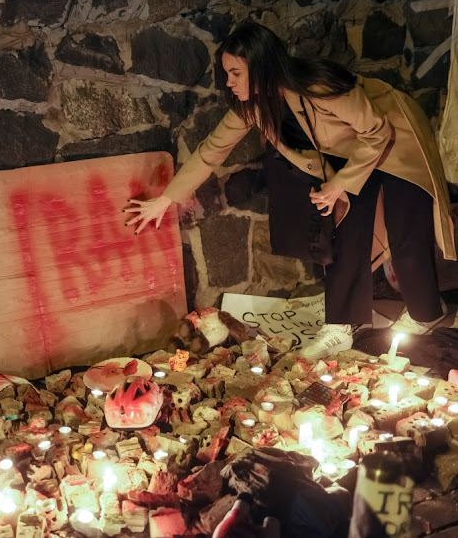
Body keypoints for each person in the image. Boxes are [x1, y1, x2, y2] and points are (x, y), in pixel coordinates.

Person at [125, 22, 455, 360]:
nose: (229, 82)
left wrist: (339, 183)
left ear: (261, 67)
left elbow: (376, 131)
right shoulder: (253, 105)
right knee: (342, 230)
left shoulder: (320, 86)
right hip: (353, 152)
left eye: (235, 73)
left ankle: (426, 312)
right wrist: (166, 200)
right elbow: (213, 149)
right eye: (227, 73)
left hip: (394, 139)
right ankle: (340, 326)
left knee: (406, 227)